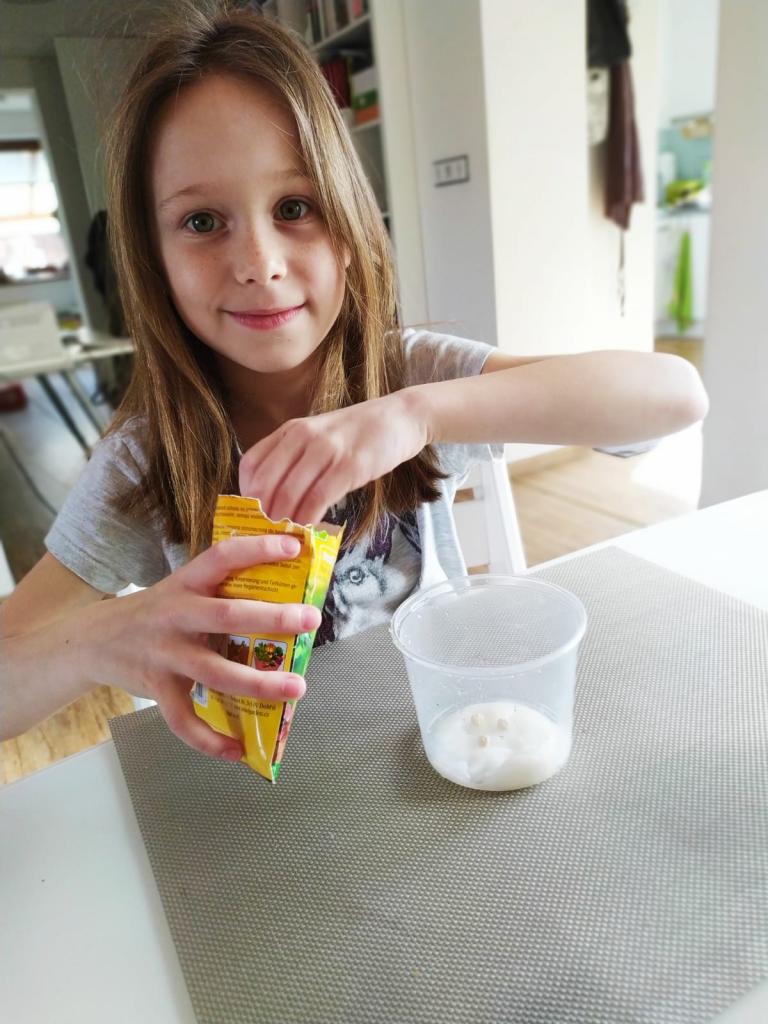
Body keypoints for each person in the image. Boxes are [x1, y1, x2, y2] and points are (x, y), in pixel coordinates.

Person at [0, 2, 708, 761]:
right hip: (253, 790)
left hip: (435, 746)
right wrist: (94, 640)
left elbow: (672, 398)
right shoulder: (146, 460)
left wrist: (420, 414)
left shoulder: (408, 376)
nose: (260, 265)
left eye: (295, 207)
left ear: (348, 228)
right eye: (202, 222)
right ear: (154, 258)